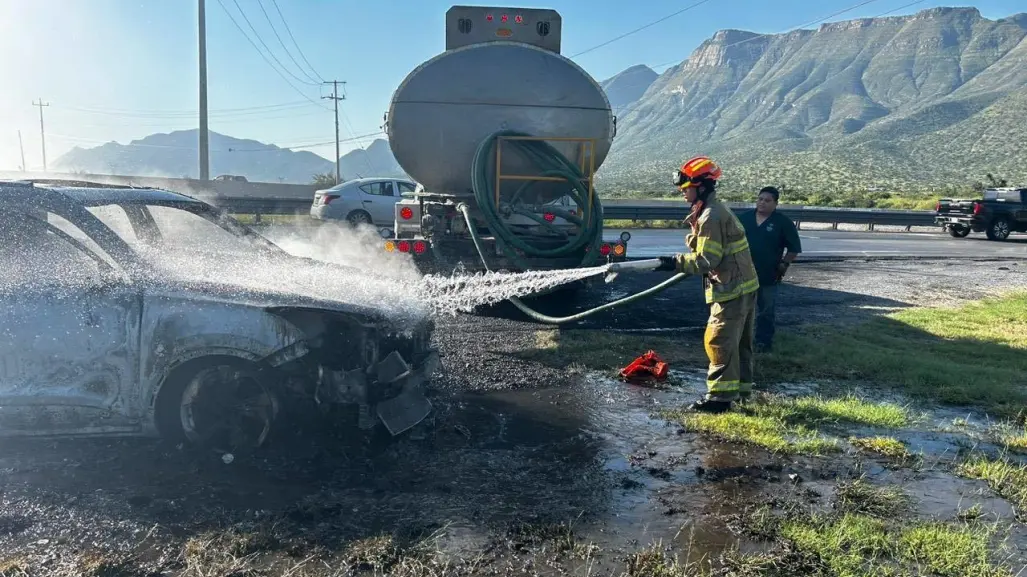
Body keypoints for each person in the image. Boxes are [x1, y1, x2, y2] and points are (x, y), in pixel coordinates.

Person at [655, 156, 760, 413]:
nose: (682, 194)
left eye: (685, 188)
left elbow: (705, 260)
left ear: (701, 186)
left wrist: (674, 262)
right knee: (739, 344)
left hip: (731, 289)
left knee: (719, 341)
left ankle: (719, 400)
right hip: (743, 286)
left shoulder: (711, 216)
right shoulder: (712, 210)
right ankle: (741, 393)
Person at [739, 186, 802, 352]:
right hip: (741, 274)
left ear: (775, 203)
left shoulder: (782, 222)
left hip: (768, 276)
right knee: (740, 310)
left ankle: (763, 343)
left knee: (766, 311)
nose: (762, 203)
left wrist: (784, 264)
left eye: (767, 200)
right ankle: (739, 342)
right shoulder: (743, 219)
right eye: (760, 199)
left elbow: (794, 248)